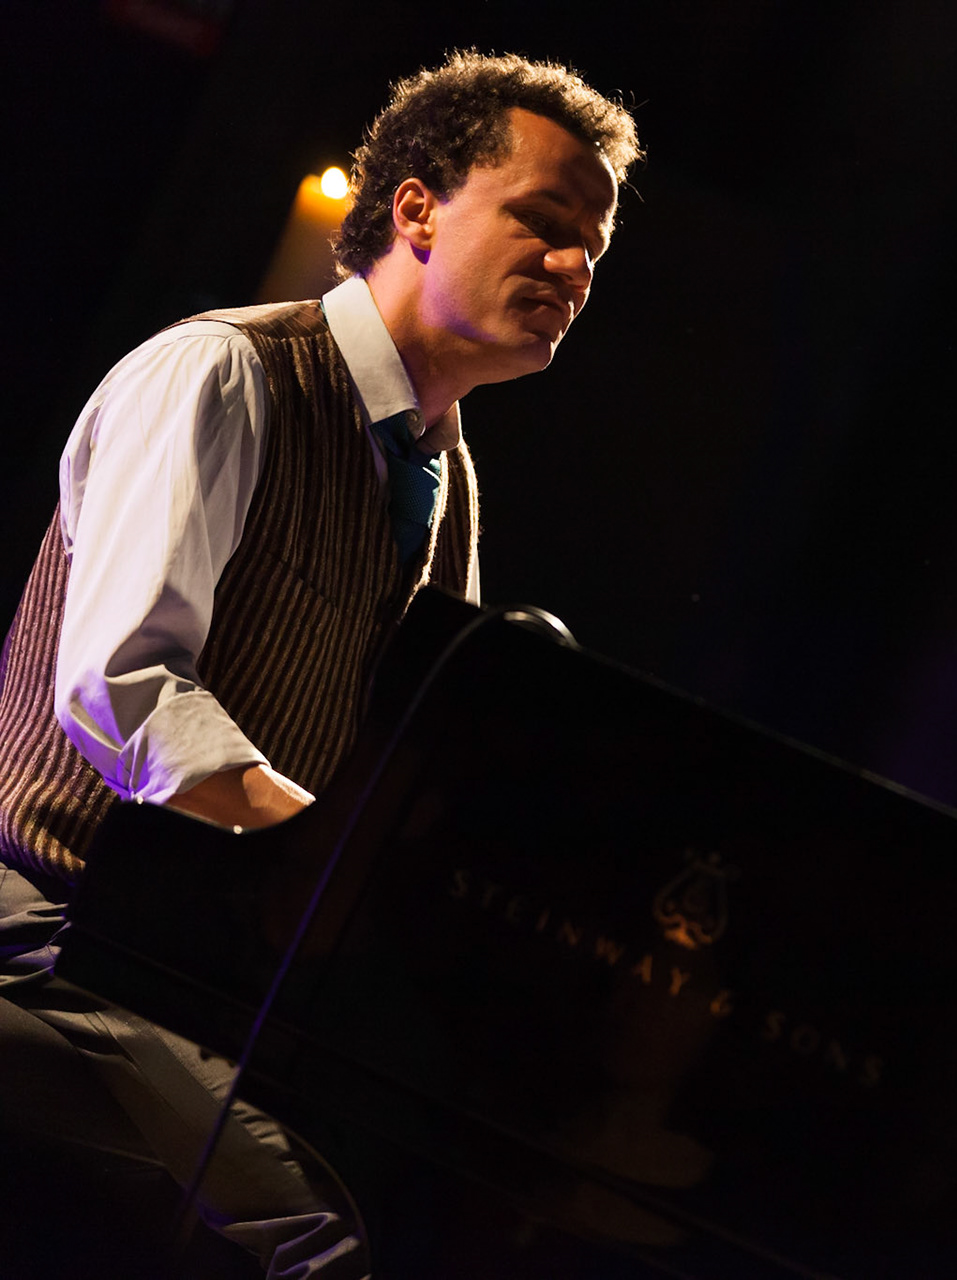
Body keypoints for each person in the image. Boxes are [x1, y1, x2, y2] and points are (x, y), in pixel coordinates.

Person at [0, 50, 640, 1276]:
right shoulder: (224, 372)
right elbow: (122, 692)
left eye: (592, 255)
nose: (572, 270)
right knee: (306, 1242)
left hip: (193, 972)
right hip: (47, 928)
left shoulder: (442, 480)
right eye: (545, 225)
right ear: (415, 207)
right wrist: (334, 862)